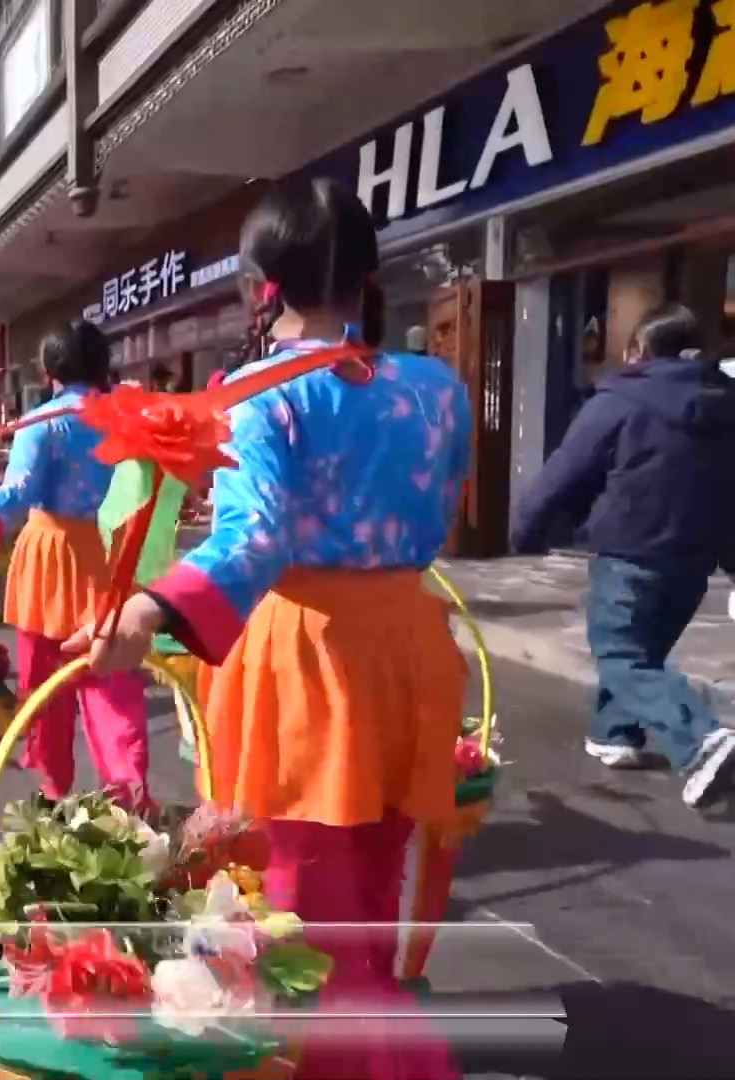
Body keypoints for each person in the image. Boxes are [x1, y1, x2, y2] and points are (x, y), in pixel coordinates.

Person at [67, 178, 469, 1080]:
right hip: (409, 641)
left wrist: (147, 607)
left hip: (309, 655)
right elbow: (441, 508)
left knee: (305, 912)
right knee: (366, 889)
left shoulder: (262, 395)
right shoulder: (437, 387)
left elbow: (254, 539)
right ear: (366, 276)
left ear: (262, 286)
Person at [510, 304, 735, 805]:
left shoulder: (620, 400)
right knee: (643, 653)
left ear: (640, 349)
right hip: (695, 561)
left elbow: (564, 472)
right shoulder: (727, 406)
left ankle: (700, 739)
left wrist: (526, 530)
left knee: (621, 655)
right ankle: (615, 736)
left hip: (631, 553)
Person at [0, 324, 150, 808]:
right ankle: (129, 796)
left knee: (44, 690)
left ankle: (54, 794)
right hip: (95, 551)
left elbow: (17, 495)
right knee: (108, 683)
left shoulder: (43, 421)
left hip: (45, 555)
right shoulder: (115, 418)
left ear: (49, 371)